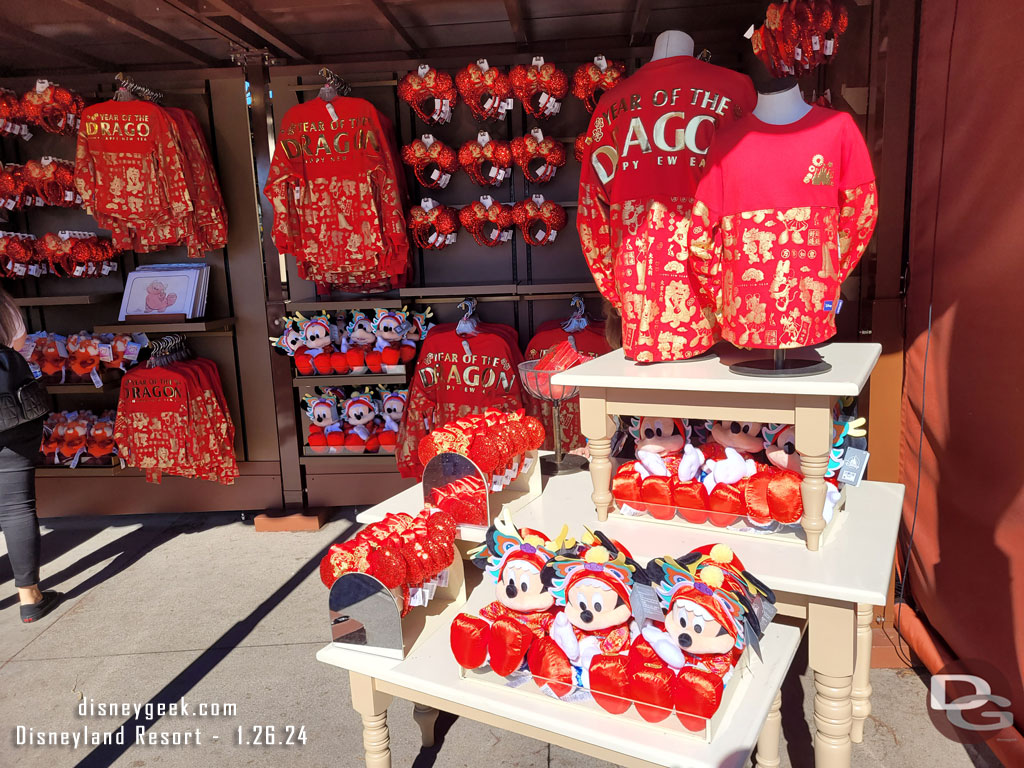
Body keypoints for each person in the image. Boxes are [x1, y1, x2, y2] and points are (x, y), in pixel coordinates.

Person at [0, 288, 61, 623]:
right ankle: (29, 598)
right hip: (9, 414)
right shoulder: (2, 302)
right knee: (16, 507)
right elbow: (19, 340)